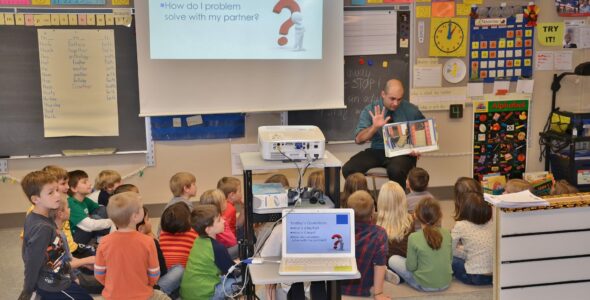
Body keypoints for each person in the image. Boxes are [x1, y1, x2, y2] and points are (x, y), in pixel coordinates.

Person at [19, 170, 93, 300]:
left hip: (59, 278)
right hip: (54, 285)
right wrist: (27, 290)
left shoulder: (37, 217)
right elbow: (32, 261)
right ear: (36, 199)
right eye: (51, 192)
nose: (58, 196)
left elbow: (59, 254)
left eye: (57, 190)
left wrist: (73, 276)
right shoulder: (43, 227)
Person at [342, 79, 425, 187]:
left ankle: (397, 201)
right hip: (378, 150)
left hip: (402, 153)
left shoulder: (412, 110)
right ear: (383, 94)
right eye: (392, 99)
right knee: (349, 169)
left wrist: (417, 147)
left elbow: (424, 134)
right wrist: (374, 127)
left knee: (396, 170)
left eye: (399, 99)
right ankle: (366, 201)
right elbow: (359, 139)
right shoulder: (370, 109)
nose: (396, 103)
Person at [94, 191, 168, 299]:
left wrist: (114, 287)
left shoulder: (104, 242)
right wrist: (144, 286)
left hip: (112, 296)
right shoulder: (148, 241)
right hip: (143, 294)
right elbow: (154, 274)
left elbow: (99, 274)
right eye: (141, 207)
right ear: (135, 216)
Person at [388, 197, 452, 292]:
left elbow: (411, 267)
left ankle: (398, 277)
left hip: (424, 285)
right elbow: (450, 260)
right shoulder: (447, 233)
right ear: (439, 216)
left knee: (392, 260)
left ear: (416, 216)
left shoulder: (413, 237)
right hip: (446, 283)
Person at [180, 204, 240, 300]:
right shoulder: (217, 248)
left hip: (189, 293)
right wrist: (240, 266)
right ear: (208, 229)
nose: (224, 221)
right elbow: (232, 272)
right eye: (219, 220)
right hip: (203, 296)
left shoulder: (198, 240)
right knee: (243, 278)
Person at [341, 190, 390, 299]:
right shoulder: (379, 234)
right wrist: (378, 293)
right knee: (382, 265)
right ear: (373, 211)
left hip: (337, 285)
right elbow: (380, 264)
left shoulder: (340, 229)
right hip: (363, 287)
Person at [375, 181, 415, 284]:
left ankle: (384, 271)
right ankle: (396, 273)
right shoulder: (410, 220)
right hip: (402, 259)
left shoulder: (375, 220)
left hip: (382, 261)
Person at [451, 192, 494, 285]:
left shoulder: (461, 225)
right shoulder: (491, 223)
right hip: (496, 275)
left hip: (475, 277)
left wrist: (464, 255)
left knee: (451, 258)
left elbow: (449, 248)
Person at [67, 170, 113, 246]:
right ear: (74, 189)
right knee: (95, 218)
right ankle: (102, 240)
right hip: (75, 240)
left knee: (102, 209)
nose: (90, 184)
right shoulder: (71, 203)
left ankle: (101, 239)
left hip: (86, 232)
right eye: (85, 182)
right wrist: (112, 221)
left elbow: (102, 210)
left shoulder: (84, 200)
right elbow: (89, 225)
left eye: (88, 181)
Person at [199, 189, 239, 258]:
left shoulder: (205, 220)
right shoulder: (220, 221)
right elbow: (232, 242)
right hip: (221, 253)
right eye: (224, 200)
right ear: (219, 205)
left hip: (213, 252)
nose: (226, 201)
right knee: (244, 247)